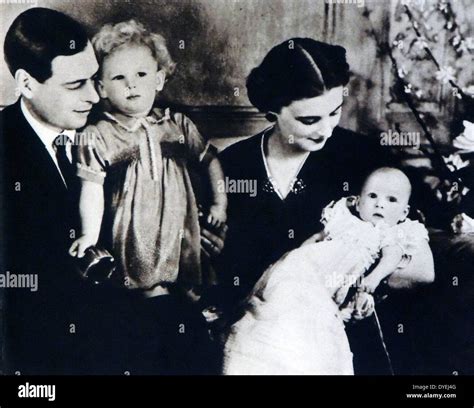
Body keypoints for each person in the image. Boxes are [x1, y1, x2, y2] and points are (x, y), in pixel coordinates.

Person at [214, 38, 434, 374]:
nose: (327, 129)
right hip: (258, 332)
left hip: (344, 329)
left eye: (334, 112)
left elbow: (418, 259)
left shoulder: (363, 160)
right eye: (309, 120)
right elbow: (223, 265)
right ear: (273, 110)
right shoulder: (232, 166)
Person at [68, 19, 226, 374]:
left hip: (178, 226)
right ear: (102, 87)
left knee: (185, 306)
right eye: (119, 78)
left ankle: (184, 321)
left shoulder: (177, 125)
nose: (132, 85)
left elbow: (210, 162)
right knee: (139, 303)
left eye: (141, 75)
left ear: (159, 78)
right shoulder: (99, 134)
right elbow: (91, 188)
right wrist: (90, 235)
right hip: (133, 227)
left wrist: (220, 204)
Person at [223, 167, 430, 374]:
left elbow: (391, 258)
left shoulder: (389, 233)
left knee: (310, 316)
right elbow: (318, 237)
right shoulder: (343, 219)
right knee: (282, 299)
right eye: (372, 196)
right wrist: (297, 253)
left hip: (327, 283)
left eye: (391, 200)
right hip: (305, 264)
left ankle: (287, 361)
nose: (380, 204)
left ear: (404, 212)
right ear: (358, 202)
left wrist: (373, 279)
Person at [0, 7, 100, 374]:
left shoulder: (112, 129)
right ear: (26, 83)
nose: (95, 97)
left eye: (94, 79)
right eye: (76, 85)